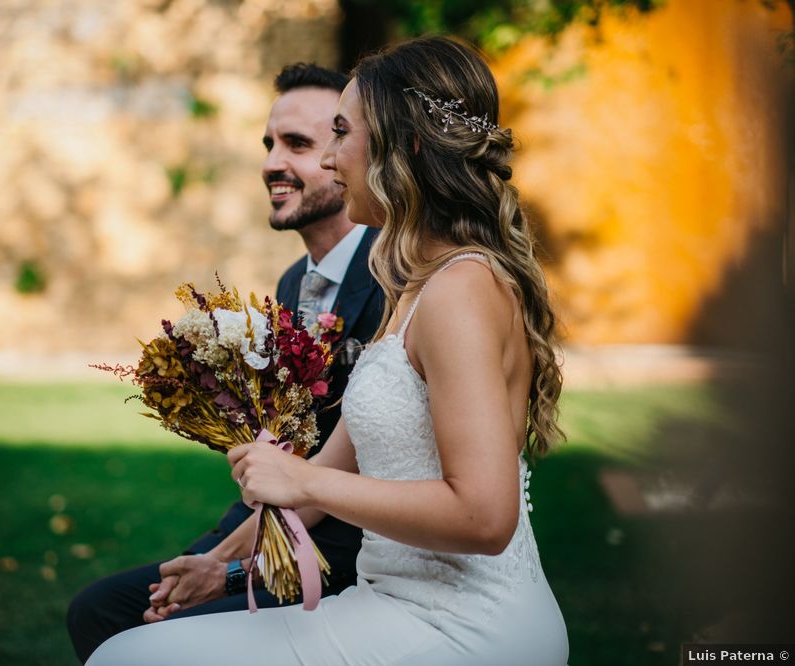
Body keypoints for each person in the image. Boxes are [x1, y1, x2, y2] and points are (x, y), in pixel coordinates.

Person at [86, 35, 570, 665]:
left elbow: (483, 515)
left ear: (409, 146)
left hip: (461, 629)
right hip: (387, 603)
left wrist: (297, 474)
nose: (333, 157)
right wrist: (219, 565)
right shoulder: (413, 286)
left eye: (341, 133)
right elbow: (325, 480)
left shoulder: (461, 290)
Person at [66, 63, 385, 664]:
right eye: (269, 143)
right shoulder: (294, 282)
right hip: (262, 518)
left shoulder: (390, 273)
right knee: (100, 609)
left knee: (143, 634)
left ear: (348, 152)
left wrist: (228, 567)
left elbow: (351, 461)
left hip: (341, 547)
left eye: (298, 143)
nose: (270, 163)